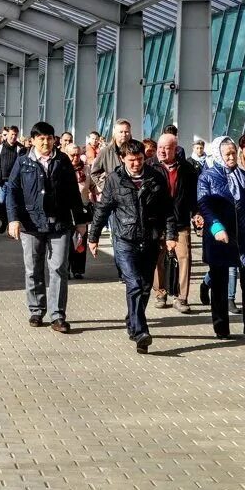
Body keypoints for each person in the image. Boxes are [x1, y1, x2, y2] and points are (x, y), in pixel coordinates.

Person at [88, 139, 177, 353]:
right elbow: (103, 209)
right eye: (131, 160)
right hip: (124, 239)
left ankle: (133, 320)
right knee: (134, 284)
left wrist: (171, 234)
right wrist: (93, 236)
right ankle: (140, 332)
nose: (136, 164)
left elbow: (168, 209)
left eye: (139, 159)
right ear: (122, 159)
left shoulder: (156, 177)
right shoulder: (114, 179)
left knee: (145, 286)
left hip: (150, 239)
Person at [5, 121, 89, 333]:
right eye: (41, 138)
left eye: (49, 138)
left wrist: (80, 221)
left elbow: (73, 193)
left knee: (58, 268)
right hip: (31, 224)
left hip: (59, 223)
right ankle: (36, 309)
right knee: (33, 267)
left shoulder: (62, 161)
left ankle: (58, 315)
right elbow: (12, 191)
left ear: (54, 140)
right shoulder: (23, 162)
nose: (45, 142)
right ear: (33, 140)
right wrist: (13, 219)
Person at [197, 136, 245, 345]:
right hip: (221, 237)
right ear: (218, 155)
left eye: (233, 153)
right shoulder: (208, 177)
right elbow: (204, 205)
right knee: (220, 284)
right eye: (227, 153)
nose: (231, 157)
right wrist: (216, 226)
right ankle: (221, 327)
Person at [149, 133, 202, 313]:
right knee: (158, 258)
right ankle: (160, 292)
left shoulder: (187, 169)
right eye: (160, 148)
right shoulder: (150, 166)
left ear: (175, 149)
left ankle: (182, 298)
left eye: (167, 148)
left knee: (184, 257)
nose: (162, 151)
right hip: (157, 222)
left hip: (180, 221)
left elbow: (194, 195)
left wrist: (196, 213)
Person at [63, 140, 91, 279]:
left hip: (82, 208)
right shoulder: (61, 169)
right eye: (72, 155)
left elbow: (93, 185)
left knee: (81, 239)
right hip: (66, 209)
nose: (75, 158)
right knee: (67, 240)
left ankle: (78, 269)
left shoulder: (86, 169)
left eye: (78, 155)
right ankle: (66, 268)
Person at [0, 126, 22, 235]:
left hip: (14, 182)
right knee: (1, 204)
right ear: (7, 135)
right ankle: (3, 221)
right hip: (1, 181)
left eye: (15, 135)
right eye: (11, 134)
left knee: (11, 204)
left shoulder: (20, 149)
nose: (13, 137)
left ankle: (9, 225)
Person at [89, 119, 132, 196]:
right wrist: (106, 187)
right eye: (121, 132)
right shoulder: (105, 151)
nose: (124, 134)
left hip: (133, 193)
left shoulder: (137, 149)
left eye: (126, 132)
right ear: (115, 133)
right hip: (115, 195)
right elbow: (94, 173)